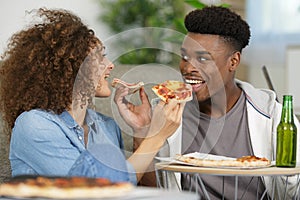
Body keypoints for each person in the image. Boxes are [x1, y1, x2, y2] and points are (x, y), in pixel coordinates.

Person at [0, 8, 185, 185]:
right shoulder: (34, 125)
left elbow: (136, 190)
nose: (110, 65)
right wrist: (157, 136)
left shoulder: (107, 127)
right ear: (70, 68)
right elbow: (93, 191)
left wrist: (142, 131)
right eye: (99, 57)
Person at [138, 6, 300, 199]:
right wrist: (141, 132)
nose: (189, 68)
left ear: (233, 62)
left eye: (203, 58)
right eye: (184, 57)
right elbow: (154, 193)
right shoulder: (165, 112)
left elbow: (294, 187)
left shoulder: (273, 116)